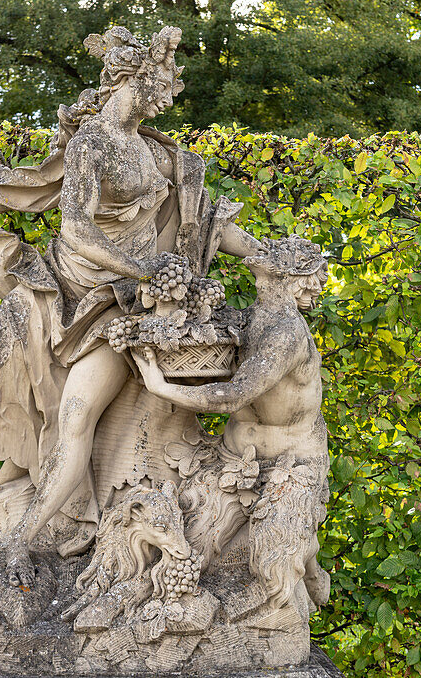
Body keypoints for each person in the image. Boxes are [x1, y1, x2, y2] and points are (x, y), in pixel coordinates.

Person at [0, 26, 261, 595]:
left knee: (75, 422)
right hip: (79, 293)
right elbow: (75, 228)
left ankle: (30, 537)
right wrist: (147, 270)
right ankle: (19, 538)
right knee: (55, 418)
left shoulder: (150, 147)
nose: (162, 100)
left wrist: (263, 255)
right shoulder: (93, 143)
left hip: (124, 306)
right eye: (157, 88)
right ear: (132, 82)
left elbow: (206, 217)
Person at [134, 236, 331, 612]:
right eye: (312, 278)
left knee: (273, 570)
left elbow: (233, 397)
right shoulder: (253, 319)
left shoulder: (287, 334)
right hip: (231, 464)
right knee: (186, 547)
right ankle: (308, 563)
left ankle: (306, 568)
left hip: (289, 470)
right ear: (288, 281)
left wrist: (159, 386)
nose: (318, 288)